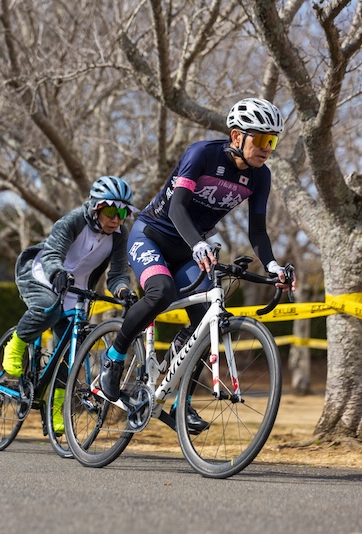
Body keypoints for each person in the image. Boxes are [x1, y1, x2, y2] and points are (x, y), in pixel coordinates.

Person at [99, 97, 296, 432]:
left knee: (209, 323)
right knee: (161, 292)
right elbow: (177, 208)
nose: (267, 149)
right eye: (261, 140)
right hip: (152, 236)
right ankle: (113, 359)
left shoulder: (261, 177)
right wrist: (200, 243)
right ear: (236, 137)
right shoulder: (202, 154)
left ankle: (181, 403)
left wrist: (274, 266)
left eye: (272, 141)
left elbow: (257, 230)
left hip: (192, 248)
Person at [2, 176, 139, 433]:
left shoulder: (120, 235)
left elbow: (118, 274)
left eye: (123, 212)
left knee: (70, 354)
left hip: (77, 290)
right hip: (44, 275)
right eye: (111, 210)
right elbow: (53, 254)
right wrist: (57, 273)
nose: (116, 218)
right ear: (96, 207)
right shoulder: (73, 220)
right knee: (48, 307)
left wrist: (122, 290)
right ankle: (16, 345)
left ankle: (56, 412)